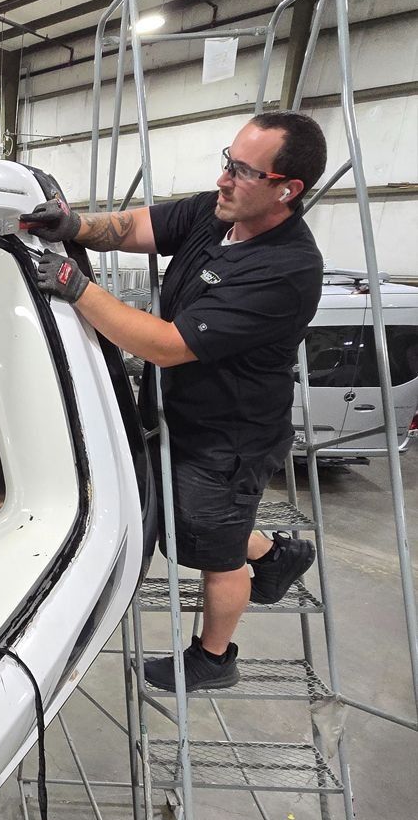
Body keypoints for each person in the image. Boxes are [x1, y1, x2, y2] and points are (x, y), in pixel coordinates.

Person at [33, 111, 328, 692]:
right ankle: (275, 558)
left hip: (230, 436)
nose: (224, 178)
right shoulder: (216, 212)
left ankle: (214, 658)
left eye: (242, 171)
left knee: (212, 550)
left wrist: (78, 287)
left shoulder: (287, 269)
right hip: (183, 415)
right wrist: (74, 225)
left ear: (286, 189)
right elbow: (137, 227)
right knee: (189, 522)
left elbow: (166, 346)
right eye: (228, 161)